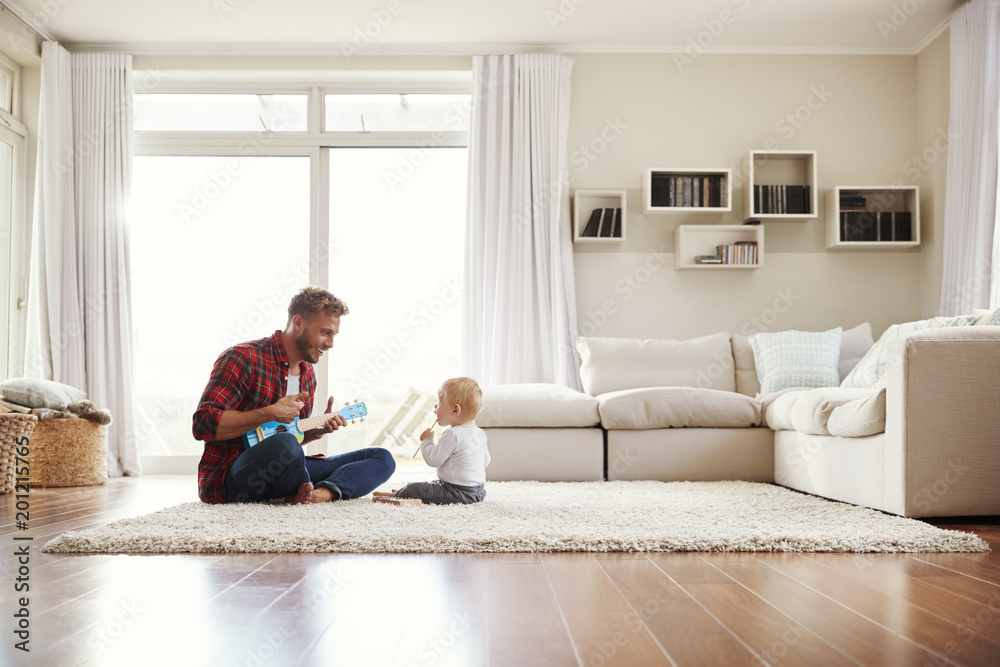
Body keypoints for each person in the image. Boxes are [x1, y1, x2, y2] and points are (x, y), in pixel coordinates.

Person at [192, 286, 395, 504]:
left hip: (284, 469)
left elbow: (293, 435)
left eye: (334, 335)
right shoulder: (243, 357)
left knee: (382, 458)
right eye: (325, 332)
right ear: (298, 323)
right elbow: (202, 425)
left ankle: (320, 494)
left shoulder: (308, 375)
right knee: (285, 445)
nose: (330, 344)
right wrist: (269, 413)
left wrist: (316, 431)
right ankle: (301, 488)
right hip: (233, 476)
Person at [389, 377, 490, 505]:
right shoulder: (480, 433)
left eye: (440, 402)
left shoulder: (452, 434)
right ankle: (405, 492)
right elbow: (486, 462)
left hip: (456, 493)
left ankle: (403, 494)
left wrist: (426, 440)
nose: (435, 406)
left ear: (455, 410)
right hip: (479, 492)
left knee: (413, 487)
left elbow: (433, 460)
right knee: (432, 484)